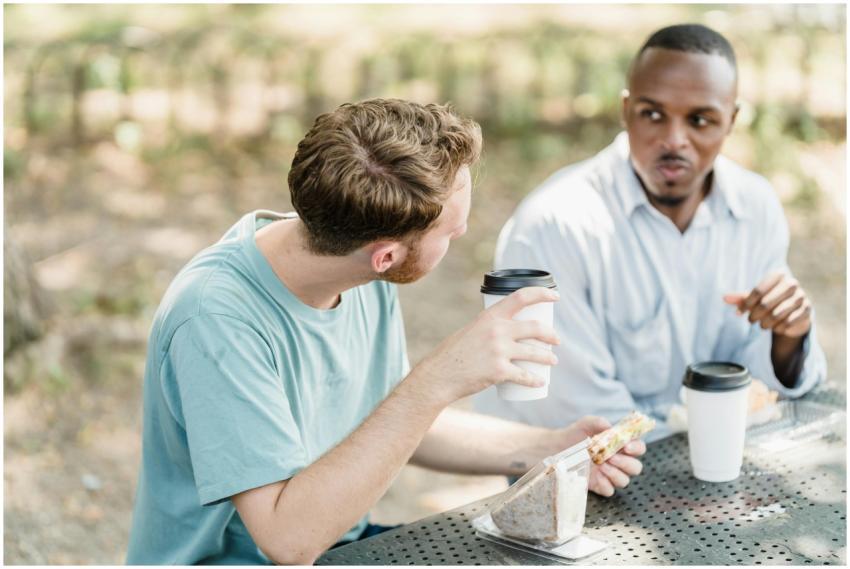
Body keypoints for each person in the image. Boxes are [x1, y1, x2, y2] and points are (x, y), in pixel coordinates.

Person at [125, 99, 646, 565]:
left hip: (348, 544)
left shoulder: (355, 264)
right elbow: (287, 541)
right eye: (452, 231)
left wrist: (550, 447)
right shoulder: (216, 320)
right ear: (388, 255)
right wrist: (435, 380)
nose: (463, 234)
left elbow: (390, 425)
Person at [474, 24, 826, 441]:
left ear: (730, 121)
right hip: (577, 471)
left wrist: (788, 340)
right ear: (626, 111)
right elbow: (574, 416)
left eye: (700, 120)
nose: (674, 140)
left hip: (707, 459)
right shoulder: (555, 225)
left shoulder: (755, 206)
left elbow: (758, 385)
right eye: (653, 114)